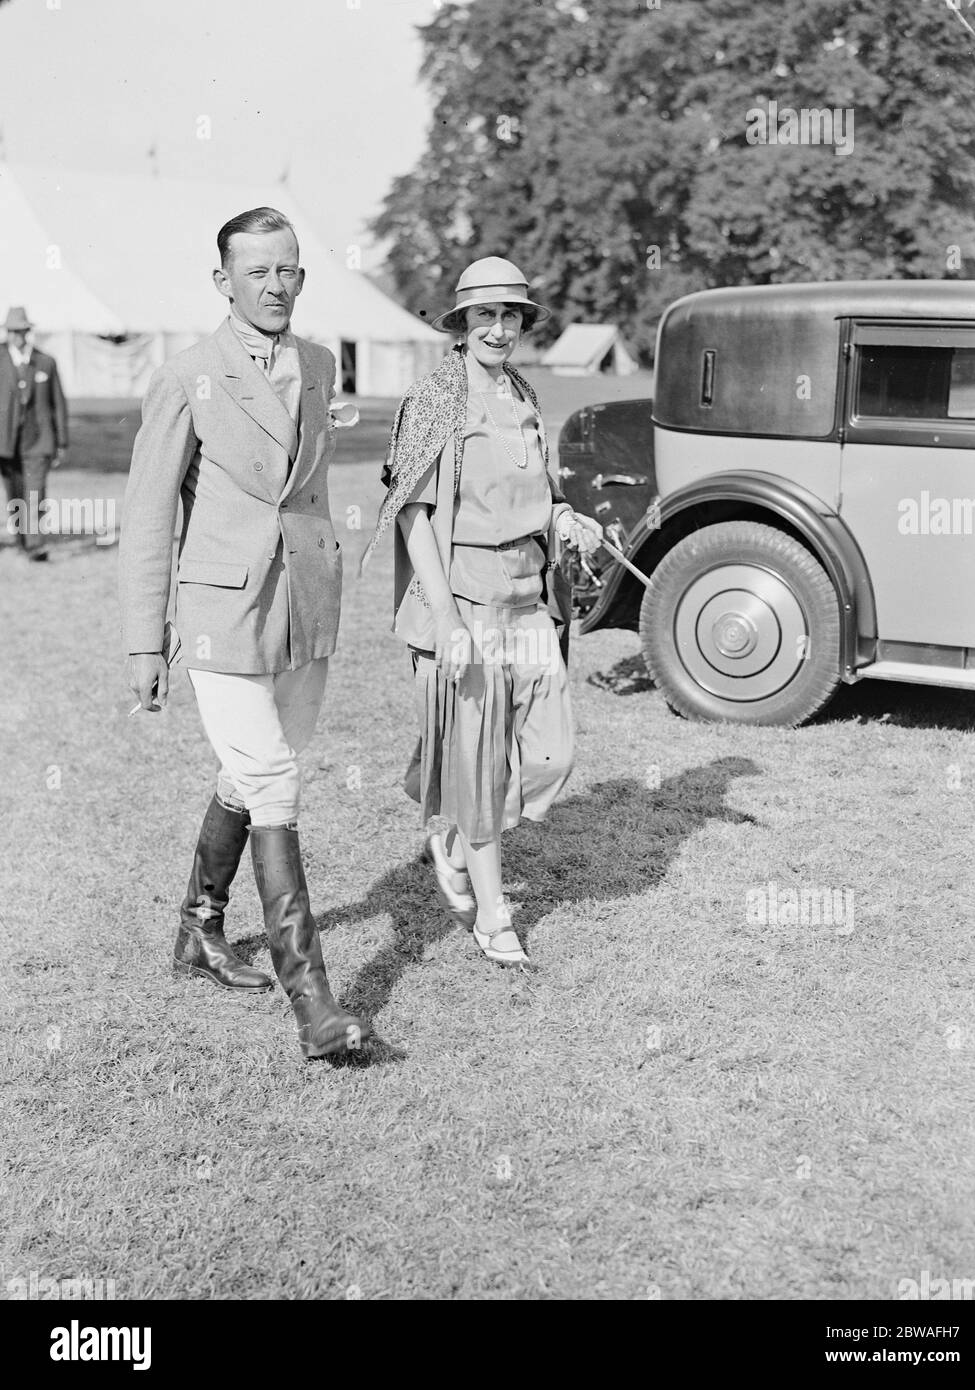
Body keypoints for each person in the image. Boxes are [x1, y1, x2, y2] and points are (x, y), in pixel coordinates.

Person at [119, 206, 369, 1060]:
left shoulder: (320, 363)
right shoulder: (188, 374)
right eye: (258, 271)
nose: (276, 285)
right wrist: (145, 642)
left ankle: (199, 927)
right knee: (272, 780)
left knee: (258, 764)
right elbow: (150, 514)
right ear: (223, 282)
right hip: (222, 609)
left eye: (289, 269)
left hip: (304, 604)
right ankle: (315, 1005)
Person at [361, 257, 602, 966]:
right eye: (485, 316)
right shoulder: (436, 396)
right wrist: (448, 621)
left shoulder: (522, 392)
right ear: (461, 325)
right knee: (478, 762)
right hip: (464, 596)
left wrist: (564, 518)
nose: (499, 328)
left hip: (527, 595)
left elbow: (538, 490)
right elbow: (412, 514)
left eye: (511, 316)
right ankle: (494, 912)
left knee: (552, 749)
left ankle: (452, 832)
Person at [0, 306, 69, 560]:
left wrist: (62, 441)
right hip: (6, 444)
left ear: (28, 332)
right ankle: (23, 541)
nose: (16, 336)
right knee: (15, 495)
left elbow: (58, 403)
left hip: (38, 442)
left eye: (21, 331)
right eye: (12, 331)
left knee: (35, 493)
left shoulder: (45, 362)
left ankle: (36, 544)